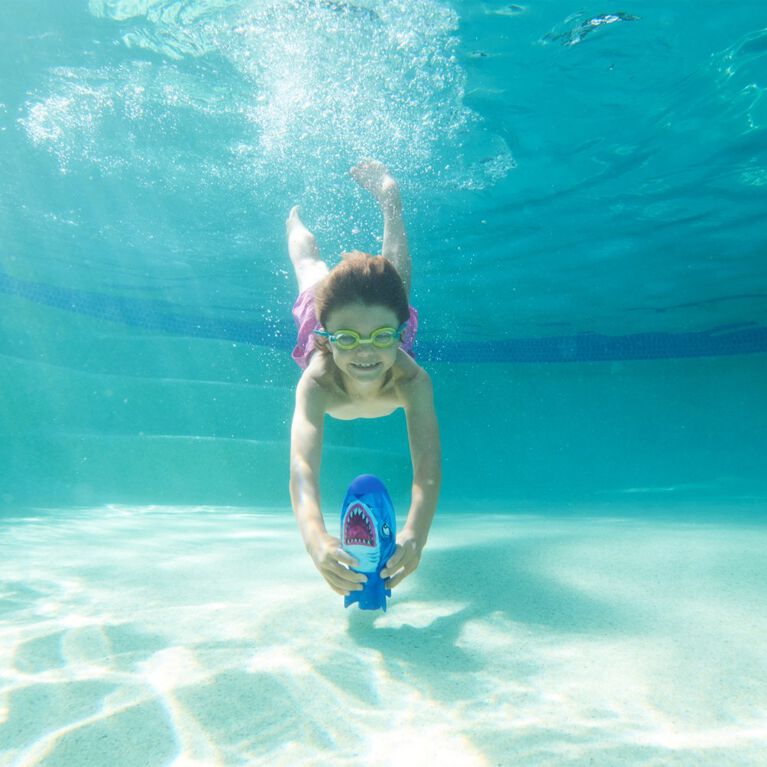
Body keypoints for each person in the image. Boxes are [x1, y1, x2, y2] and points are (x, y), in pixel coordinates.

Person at [287, 159, 441, 598]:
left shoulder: (411, 381)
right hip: (330, 314)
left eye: (381, 337)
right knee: (309, 264)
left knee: (395, 281)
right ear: (327, 334)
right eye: (348, 339)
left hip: (380, 321)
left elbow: (427, 466)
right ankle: (293, 222)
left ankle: (391, 199)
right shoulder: (317, 384)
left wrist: (416, 533)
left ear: (400, 332)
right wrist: (315, 539)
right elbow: (302, 466)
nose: (366, 352)